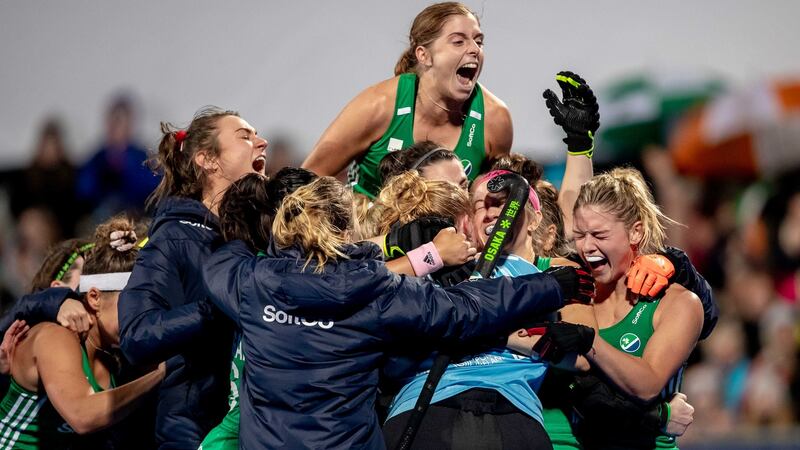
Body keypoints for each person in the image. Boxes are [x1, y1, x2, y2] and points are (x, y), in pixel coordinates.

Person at [203, 175, 591, 449]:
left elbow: (221, 260)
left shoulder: (252, 284)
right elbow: (463, 310)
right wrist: (550, 286)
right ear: (346, 232)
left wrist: (245, 220)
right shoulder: (374, 289)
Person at [117, 107, 268, 448]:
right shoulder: (174, 237)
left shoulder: (258, 237)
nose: (262, 142)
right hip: (189, 433)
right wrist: (218, 307)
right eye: (245, 136)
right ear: (208, 160)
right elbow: (136, 334)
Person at [527, 168, 705, 449]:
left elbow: (647, 385)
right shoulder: (571, 289)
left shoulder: (679, 304)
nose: (587, 247)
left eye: (599, 234)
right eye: (580, 235)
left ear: (636, 231)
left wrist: (590, 341)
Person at [303, 2, 512, 198]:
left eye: (479, 41)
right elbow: (305, 181)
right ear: (424, 55)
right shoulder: (378, 105)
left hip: (449, 235)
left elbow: (494, 203)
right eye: (458, 41)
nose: (474, 49)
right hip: (368, 232)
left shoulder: (495, 118)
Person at [0, 216, 165, 449]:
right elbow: (82, 416)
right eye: (131, 303)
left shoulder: (116, 360)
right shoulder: (54, 336)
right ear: (95, 297)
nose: (141, 315)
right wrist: (160, 374)